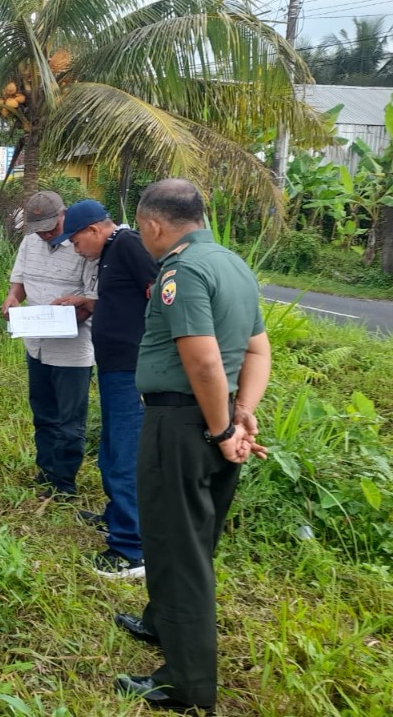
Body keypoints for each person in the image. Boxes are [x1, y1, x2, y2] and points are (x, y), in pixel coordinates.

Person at [113, 179, 271, 714]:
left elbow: (201, 360)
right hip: (216, 415)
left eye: (142, 229)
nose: (143, 238)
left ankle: (185, 684)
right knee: (191, 535)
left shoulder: (180, 272)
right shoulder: (233, 263)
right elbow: (258, 350)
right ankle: (161, 623)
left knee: (176, 547)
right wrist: (240, 413)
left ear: (154, 225)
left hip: (182, 424)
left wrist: (225, 428)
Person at [51, 199, 159, 580]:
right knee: (112, 449)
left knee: (125, 455)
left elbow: (159, 292)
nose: (76, 249)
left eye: (77, 241)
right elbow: (125, 301)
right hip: (115, 367)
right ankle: (116, 517)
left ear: (95, 230)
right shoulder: (111, 253)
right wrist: (87, 302)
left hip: (132, 369)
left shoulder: (127, 245)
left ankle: (132, 551)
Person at [1, 191, 97, 501]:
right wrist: (13, 297)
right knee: (43, 413)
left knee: (69, 420)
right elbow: (20, 282)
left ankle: (63, 483)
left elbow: (90, 303)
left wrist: (68, 314)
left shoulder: (85, 246)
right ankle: (45, 473)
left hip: (72, 349)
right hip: (36, 344)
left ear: (64, 215)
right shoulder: (31, 242)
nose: (45, 234)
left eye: (51, 228)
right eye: (38, 228)